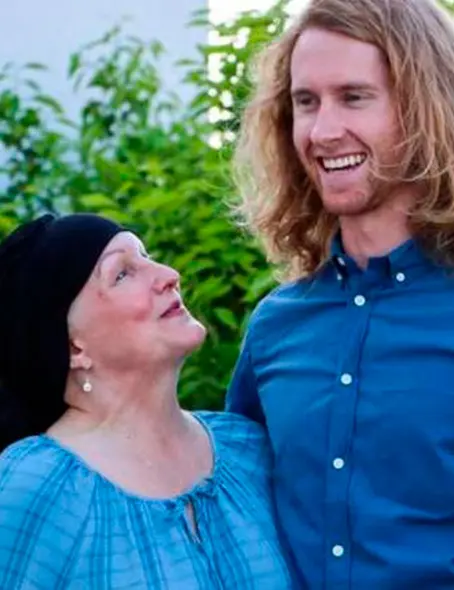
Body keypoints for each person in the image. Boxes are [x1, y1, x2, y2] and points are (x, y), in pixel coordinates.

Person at [226, 0, 454, 588]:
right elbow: (235, 506)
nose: (323, 131)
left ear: (429, 108)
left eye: (354, 97)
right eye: (306, 102)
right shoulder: (275, 327)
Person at [0, 213, 292, 589]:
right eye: (122, 274)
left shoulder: (249, 450)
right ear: (73, 347)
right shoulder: (36, 484)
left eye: (147, 256)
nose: (169, 275)